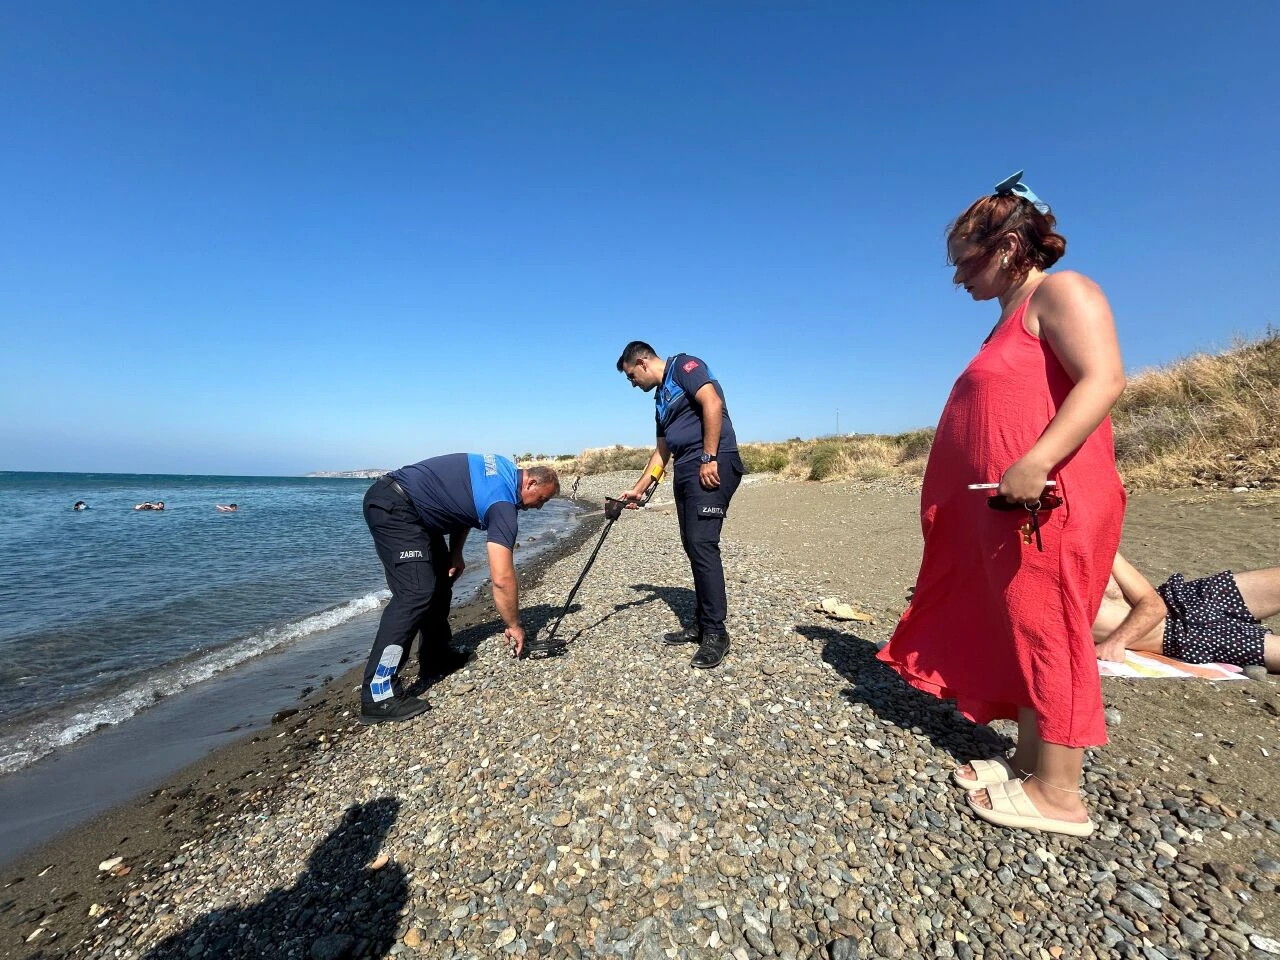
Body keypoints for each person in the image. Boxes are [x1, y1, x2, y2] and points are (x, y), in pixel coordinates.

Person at [876, 172, 1127, 838]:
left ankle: (1061, 794)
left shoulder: (1063, 292)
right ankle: (1029, 761)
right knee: (1021, 627)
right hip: (1008, 510)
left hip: (1045, 504)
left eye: (965, 261)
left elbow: (1104, 378)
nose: (958, 278)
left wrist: (1036, 461)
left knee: (1052, 630)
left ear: (1010, 246)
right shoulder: (1007, 318)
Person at [360, 454, 560, 724]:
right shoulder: (503, 504)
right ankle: (378, 695)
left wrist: (455, 553)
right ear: (531, 483)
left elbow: (464, 505)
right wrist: (514, 624)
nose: (538, 507)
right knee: (415, 593)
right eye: (542, 499)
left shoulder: (504, 469)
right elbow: (502, 578)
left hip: (414, 510)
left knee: (439, 581)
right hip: (395, 506)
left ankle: (435, 657)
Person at [616, 341, 746, 670]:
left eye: (631, 377)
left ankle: (716, 632)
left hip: (713, 462)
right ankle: (702, 623)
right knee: (692, 545)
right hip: (685, 468)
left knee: (703, 544)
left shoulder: (685, 367)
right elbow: (662, 452)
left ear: (642, 362)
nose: (633, 384)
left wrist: (709, 457)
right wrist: (639, 490)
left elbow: (712, 402)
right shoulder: (660, 400)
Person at [1093, 553, 1279, 671]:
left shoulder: (1096, 546)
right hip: (1185, 636)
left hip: (1185, 596)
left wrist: (1117, 642)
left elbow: (1154, 605)